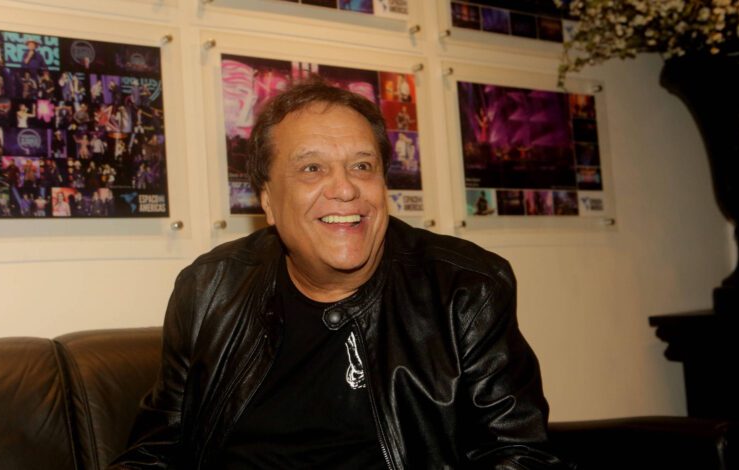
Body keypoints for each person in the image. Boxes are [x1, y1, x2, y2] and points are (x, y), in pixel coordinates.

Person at [111, 80, 568, 469]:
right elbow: (154, 453)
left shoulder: (465, 289)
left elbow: (519, 455)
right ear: (267, 201)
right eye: (312, 168)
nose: (345, 188)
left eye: (362, 166)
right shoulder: (208, 289)